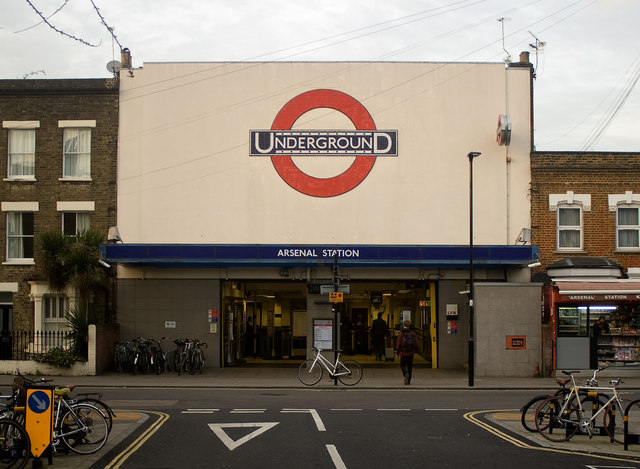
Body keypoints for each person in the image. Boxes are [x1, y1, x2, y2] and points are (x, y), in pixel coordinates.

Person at [395, 319, 419, 385]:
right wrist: (416, 350)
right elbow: (416, 343)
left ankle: (405, 374)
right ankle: (408, 381)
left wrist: (397, 352)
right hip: (411, 353)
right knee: (410, 367)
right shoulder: (413, 333)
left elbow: (398, 343)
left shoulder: (401, 333)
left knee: (402, 365)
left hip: (403, 353)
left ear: (404, 325)